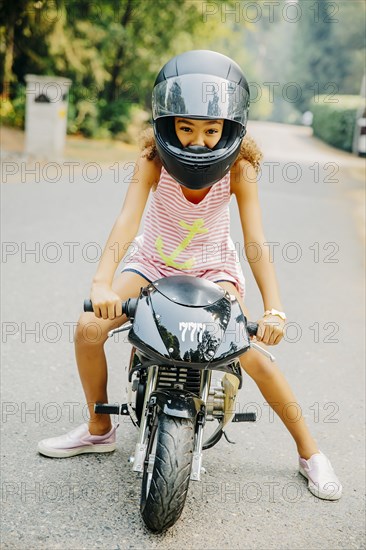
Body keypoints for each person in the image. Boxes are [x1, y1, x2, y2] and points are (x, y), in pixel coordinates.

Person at [38, 50, 342, 501]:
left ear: (229, 128)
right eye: (186, 128)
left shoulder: (240, 169)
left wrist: (274, 308)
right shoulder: (153, 160)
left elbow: (256, 242)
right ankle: (99, 428)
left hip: (213, 270)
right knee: (87, 328)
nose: (197, 141)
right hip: (152, 264)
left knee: (250, 354)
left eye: (210, 129)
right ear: (167, 124)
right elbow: (126, 221)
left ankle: (310, 453)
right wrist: (100, 283)